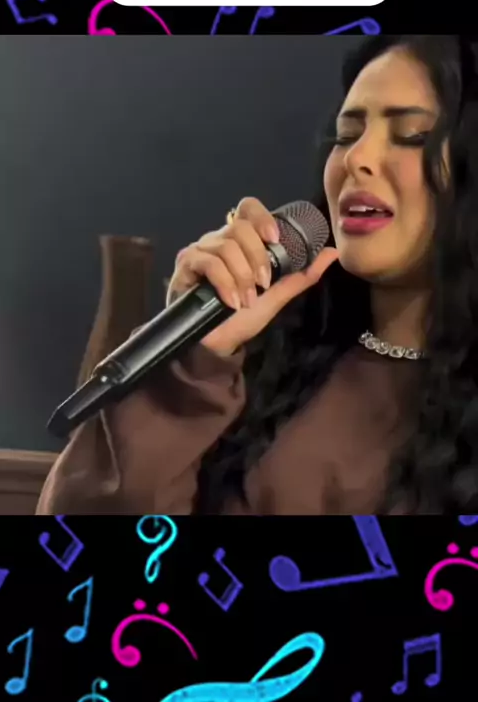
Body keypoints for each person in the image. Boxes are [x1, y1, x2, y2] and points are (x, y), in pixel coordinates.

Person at [36, 34, 478, 515]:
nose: (356, 158)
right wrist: (193, 358)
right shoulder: (269, 356)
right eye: (347, 135)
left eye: (412, 136)